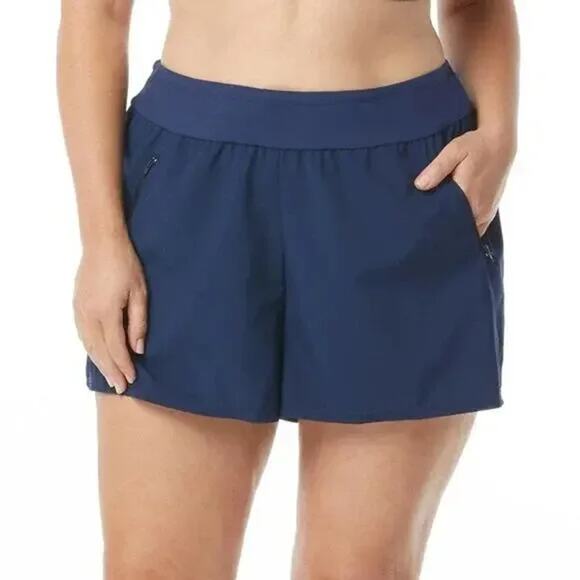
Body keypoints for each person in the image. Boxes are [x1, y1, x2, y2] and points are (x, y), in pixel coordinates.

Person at [58, 0, 518, 578]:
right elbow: (97, 13)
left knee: (357, 571)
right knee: (155, 568)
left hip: (403, 177)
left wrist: (499, 134)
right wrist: (101, 239)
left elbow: (475, 4)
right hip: (192, 180)